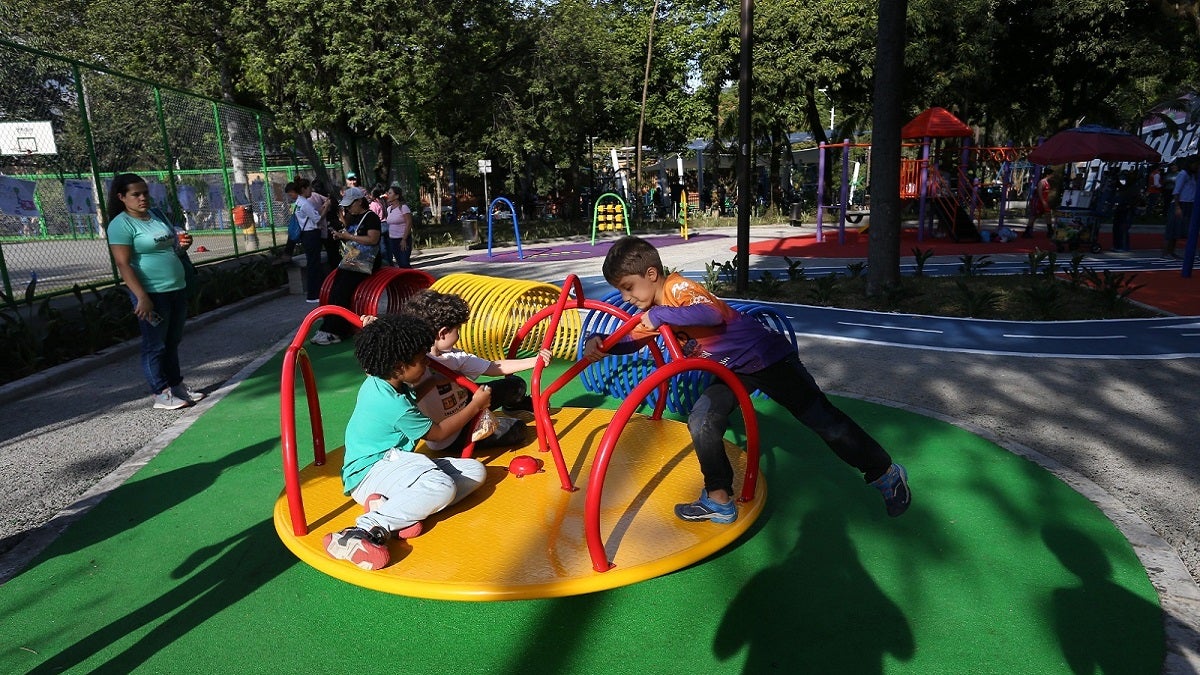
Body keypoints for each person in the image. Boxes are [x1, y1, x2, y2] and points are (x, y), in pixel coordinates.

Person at [583, 236, 911, 523]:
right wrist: (602, 341)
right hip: (730, 370)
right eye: (620, 291)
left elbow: (709, 314)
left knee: (823, 420)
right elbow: (632, 339)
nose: (625, 297)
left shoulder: (676, 288)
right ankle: (719, 498)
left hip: (767, 357)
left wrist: (660, 314)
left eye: (627, 287)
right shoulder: (652, 315)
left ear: (651, 274)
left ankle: (884, 472)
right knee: (702, 420)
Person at [322, 313, 491, 570]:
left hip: (392, 467)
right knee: (442, 486)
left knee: (473, 472)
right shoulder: (392, 404)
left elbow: (414, 393)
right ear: (399, 366)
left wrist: (433, 379)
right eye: (421, 361)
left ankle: (394, 511)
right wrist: (475, 405)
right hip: (371, 471)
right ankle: (360, 532)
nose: (426, 364)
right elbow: (438, 432)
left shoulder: (384, 380)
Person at [402, 289, 550, 455]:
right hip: (452, 435)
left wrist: (535, 361)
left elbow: (494, 368)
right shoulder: (413, 364)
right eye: (457, 329)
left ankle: (513, 406)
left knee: (516, 384)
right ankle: (488, 424)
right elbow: (396, 387)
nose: (458, 334)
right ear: (443, 333)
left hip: (468, 401)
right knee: (518, 429)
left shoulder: (453, 356)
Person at [106, 172, 206, 410]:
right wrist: (142, 296)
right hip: (151, 293)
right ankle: (161, 393)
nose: (142, 198)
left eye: (145, 193)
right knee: (155, 345)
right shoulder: (121, 224)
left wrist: (183, 247)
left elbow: (169, 250)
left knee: (173, 340)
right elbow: (123, 263)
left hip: (176, 287)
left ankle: (176, 386)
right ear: (122, 197)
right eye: (136, 194)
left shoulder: (156, 215)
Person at [311, 187, 383, 345]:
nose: (348, 208)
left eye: (350, 205)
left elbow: (372, 240)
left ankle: (338, 331)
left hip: (366, 261)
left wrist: (348, 236)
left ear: (359, 201)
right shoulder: (354, 217)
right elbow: (353, 238)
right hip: (351, 258)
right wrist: (341, 236)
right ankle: (328, 327)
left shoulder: (371, 217)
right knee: (334, 290)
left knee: (343, 292)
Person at [290, 179, 325, 303]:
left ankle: (314, 293)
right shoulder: (305, 203)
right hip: (311, 234)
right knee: (314, 264)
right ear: (304, 189)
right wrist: (326, 208)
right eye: (309, 188)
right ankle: (314, 294)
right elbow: (316, 219)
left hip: (306, 235)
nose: (311, 190)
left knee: (313, 263)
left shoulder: (299, 202)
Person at [1164, 157, 1197, 259]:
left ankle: (1172, 251)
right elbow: (1177, 191)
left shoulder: (1192, 176)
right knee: (1173, 228)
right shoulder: (1183, 174)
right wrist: (1177, 206)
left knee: (1181, 229)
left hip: (1189, 203)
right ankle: (1167, 252)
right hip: (1181, 203)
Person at [385, 186, 413, 268]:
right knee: (400, 263)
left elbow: (409, 223)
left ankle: (415, 278)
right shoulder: (388, 209)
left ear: (397, 196)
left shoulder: (403, 208)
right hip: (393, 240)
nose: (388, 195)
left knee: (404, 262)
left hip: (403, 239)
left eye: (390, 193)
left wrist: (404, 239)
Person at [1023, 168, 1055, 238]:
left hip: (1044, 201)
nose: (1053, 176)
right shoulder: (1041, 182)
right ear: (1048, 174)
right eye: (1052, 174)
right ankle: (1027, 231)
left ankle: (1050, 231)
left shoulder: (1047, 182)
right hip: (1039, 202)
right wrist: (1043, 201)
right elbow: (1039, 192)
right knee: (1034, 216)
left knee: (1048, 214)